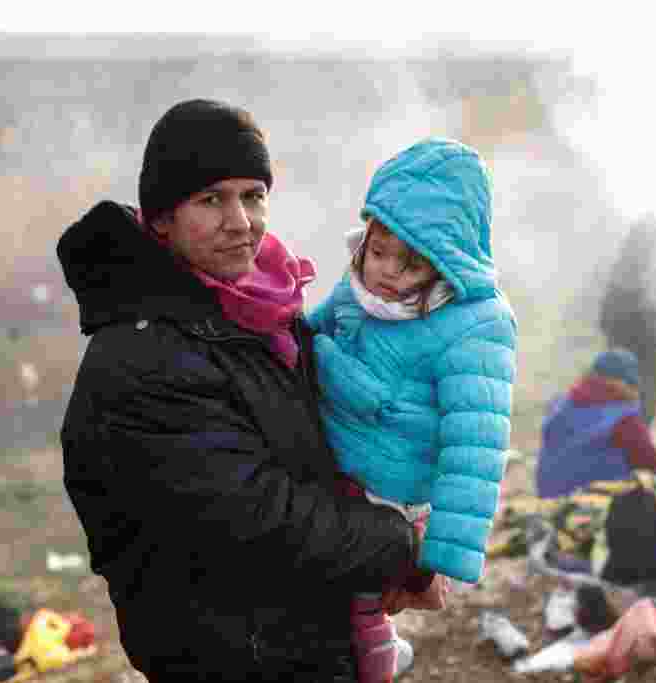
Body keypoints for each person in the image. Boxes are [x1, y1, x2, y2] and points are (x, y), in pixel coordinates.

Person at [56, 99, 433, 683]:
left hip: (300, 643)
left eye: (253, 195)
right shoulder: (145, 359)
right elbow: (260, 518)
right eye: (212, 199)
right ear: (161, 220)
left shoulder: (257, 318)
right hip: (235, 657)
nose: (242, 220)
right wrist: (401, 542)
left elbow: (317, 446)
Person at [307, 138, 517, 682]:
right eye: (378, 252)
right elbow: (310, 331)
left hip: (387, 491)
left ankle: (376, 667)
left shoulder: (477, 326)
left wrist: (438, 558)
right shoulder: (359, 288)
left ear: (448, 259)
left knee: (360, 604)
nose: (387, 272)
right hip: (330, 461)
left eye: (410, 263)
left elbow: (475, 448)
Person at [536, 349, 656, 499]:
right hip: (597, 506)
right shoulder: (625, 419)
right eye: (632, 383)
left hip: (550, 500)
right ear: (623, 382)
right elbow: (650, 464)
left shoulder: (559, 405)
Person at [598, 217, 656, 424]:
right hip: (636, 345)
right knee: (639, 400)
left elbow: (607, 318)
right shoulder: (637, 269)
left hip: (629, 346)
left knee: (633, 401)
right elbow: (650, 307)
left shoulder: (632, 267)